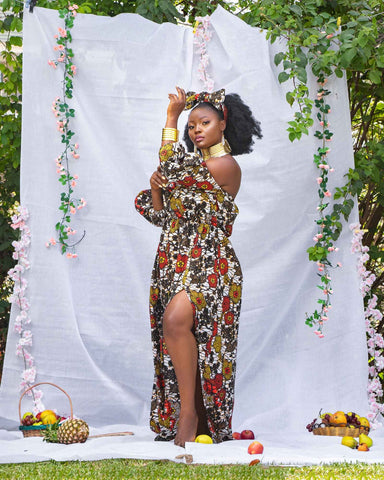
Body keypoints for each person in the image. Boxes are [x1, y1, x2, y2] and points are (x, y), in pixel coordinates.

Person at [135, 87, 261, 447]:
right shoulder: (193, 170)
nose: (196, 131)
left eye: (204, 122)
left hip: (211, 264)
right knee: (175, 330)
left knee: (175, 320)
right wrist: (157, 190)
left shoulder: (224, 165)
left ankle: (189, 414)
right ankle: (194, 416)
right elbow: (160, 215)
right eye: (191, 126)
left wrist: (171, 117)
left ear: (223, 124)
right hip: (174, 260)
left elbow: (171, 168)